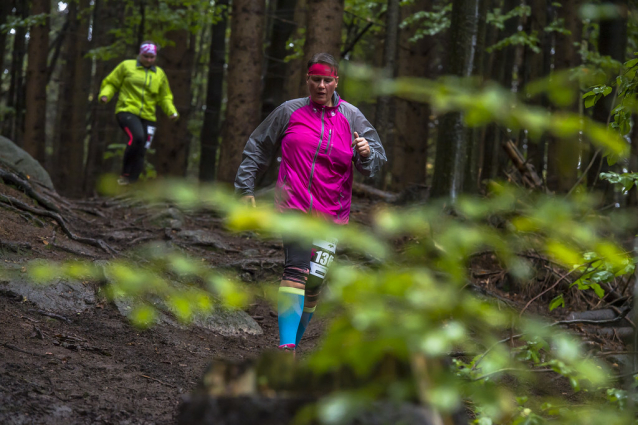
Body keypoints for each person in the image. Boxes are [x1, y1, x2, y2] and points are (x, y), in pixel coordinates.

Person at [234, 52, 387, 353]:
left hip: (333, 213)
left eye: (326, 80)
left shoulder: (352, 116)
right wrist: (244, 188)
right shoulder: (289, 111)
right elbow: (258, 146)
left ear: (336, 81)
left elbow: (377, 161)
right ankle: (286, 350)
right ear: (307, 80)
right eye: (315, 79)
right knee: (296, 271)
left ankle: (293, 344)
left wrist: (367, 152)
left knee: (314, 283)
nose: (320, 85)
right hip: (294, 206)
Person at [98, 41, 179, 185]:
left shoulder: (159, 74)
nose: (149, 60)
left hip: (148, 116)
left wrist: (171, 111)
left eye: (152, 57)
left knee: (142, 150)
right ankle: (125, 174)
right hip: (127, 110)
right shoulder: (126, 66)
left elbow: (165, 96)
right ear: (140, 54)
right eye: (146, 56)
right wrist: (105, 95)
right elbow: (111, 83)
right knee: (137, 137)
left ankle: (132, 183)